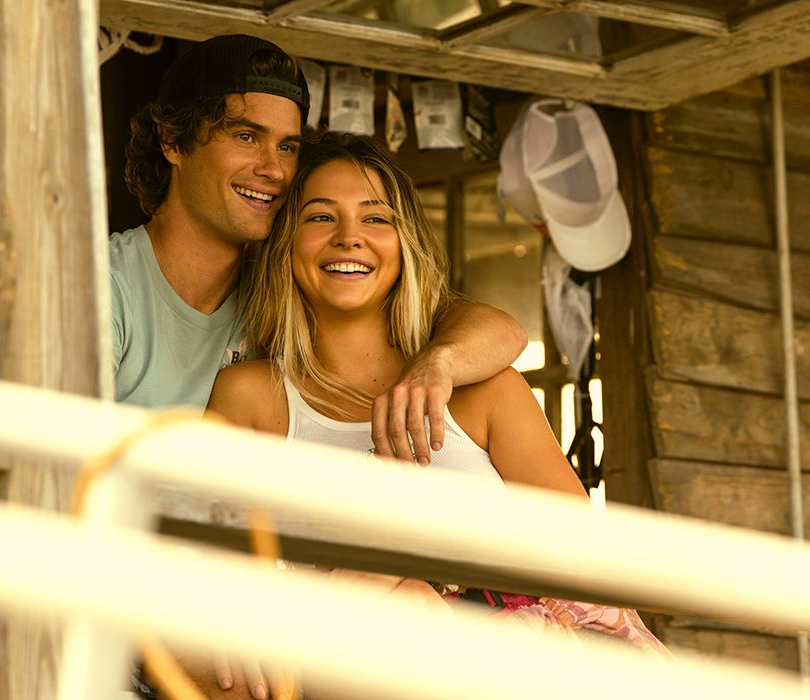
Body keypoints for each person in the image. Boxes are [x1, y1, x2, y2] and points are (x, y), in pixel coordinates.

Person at [207, 132, 667, 696]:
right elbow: (200, 572)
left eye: (376, 219)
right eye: (321, 217)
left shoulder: (484, 391)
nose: (349, 237)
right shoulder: (252, 398)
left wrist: (422, 582)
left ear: (404, 245)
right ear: (287, 242)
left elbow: (586, 565)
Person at [113, 34, 527, 470]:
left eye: (287, 146)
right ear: (173, 141)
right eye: (246, 136)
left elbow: (501, 330)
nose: (273, 169)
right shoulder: (104, 290)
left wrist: (437, 361)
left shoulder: (285, 281)